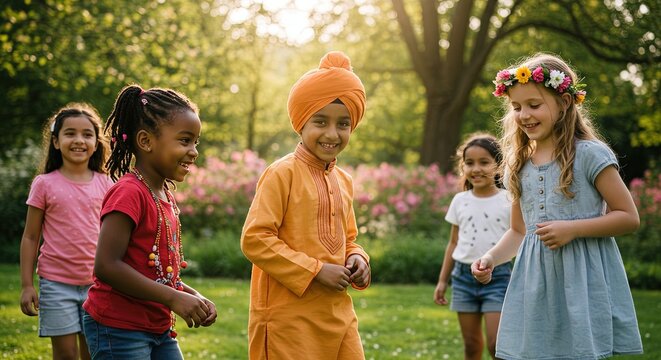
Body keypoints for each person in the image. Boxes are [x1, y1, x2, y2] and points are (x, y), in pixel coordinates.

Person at [472, 53, 643, 359]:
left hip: (582, 283)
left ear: (564, 103)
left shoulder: (590, 155)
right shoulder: (517, 165)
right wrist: (490, 258)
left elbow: (628, 217)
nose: (524, 114)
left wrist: (573, 229)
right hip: (535, 286)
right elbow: (518, 231)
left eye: (534, 105)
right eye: (516, 107)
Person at [240, 51, 371, 360]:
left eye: (343, 124)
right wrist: (314, 271)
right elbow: (255, 239)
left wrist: (358, 259)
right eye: (320, 121)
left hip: (338, 314)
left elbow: (348, 239)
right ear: (301, 123)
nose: (331, 133)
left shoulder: (344, 180)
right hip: (288, 320)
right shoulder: (281, 173)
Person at [82, 85, 217, 359]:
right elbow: (107, 266)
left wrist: (192, 295)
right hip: (118, 327)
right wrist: (174, 298)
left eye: (196, 142)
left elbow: (157, 273)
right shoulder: (129, 192)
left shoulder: (164, 193)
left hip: (158, 326)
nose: (193, 151)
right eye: (184, 140)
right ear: (145, 141)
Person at [19, 103, 113, 360]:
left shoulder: (107, 184)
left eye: (87, 134)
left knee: (94, 353)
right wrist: (27, 285)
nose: (79, 140)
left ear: (96, 142)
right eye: (70, 133)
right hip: (56, 284)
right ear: (56, 141)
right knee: (66, 356)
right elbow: (30, 236)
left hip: (98, 284)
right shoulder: (44, 184)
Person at [433, 132, 511, 359]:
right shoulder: (460, 200)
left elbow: (518, 237)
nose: (476, 169)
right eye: (469, 163)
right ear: (463, 167)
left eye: (484, 162)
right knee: (471, 344)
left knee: (497, 345)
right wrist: (442, 281)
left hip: (498, 277)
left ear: (499, 165)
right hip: (463, 278)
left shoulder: (508, 200)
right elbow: (453, 243)